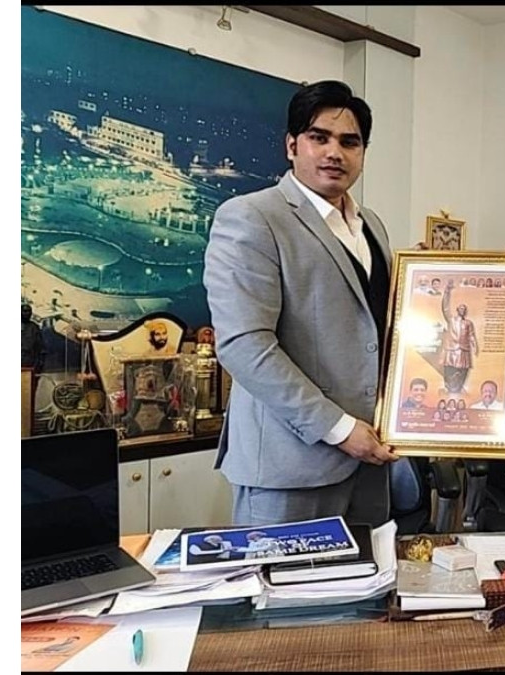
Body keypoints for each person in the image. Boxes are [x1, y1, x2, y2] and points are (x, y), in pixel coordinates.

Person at [204, 80, 398, 528]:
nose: (335, 152)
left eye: (349, 142)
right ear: (292, 145)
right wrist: (339, 428)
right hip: (290, 467)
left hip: (371, 462)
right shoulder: (252, 217)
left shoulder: (371, 225)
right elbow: (245, 346)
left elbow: (375, 326)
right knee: (283, 579)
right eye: (319, 137)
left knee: (366, 575)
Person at [439, 281, 478, 394]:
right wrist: (447, 292)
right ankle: (449, 387)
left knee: (463, 369)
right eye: (460, 309)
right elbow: (445, 308)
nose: (462, 310)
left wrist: (475, 346)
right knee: (449, 368)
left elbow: (471, 335)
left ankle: (459, 387)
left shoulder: (468, 323)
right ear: (457, 310)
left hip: (464, 350)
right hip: (451, 349)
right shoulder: (451, 320)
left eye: (464, 309)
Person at [20, 303, 45, 372]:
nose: (27, 313)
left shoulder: (34, 327)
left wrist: (40, 362)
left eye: (29, 311)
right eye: (24, 311)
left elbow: (40, 347)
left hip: (30, 362)